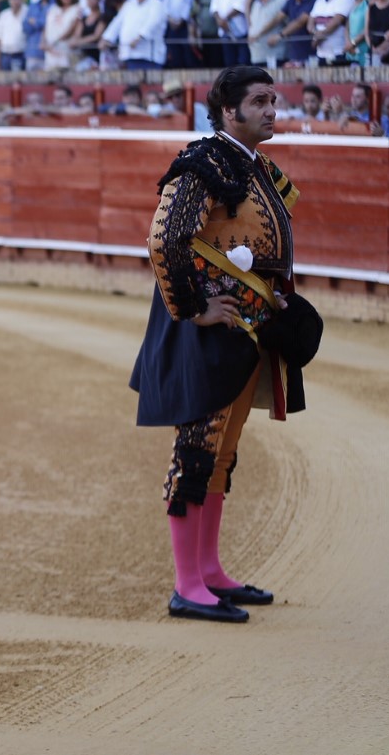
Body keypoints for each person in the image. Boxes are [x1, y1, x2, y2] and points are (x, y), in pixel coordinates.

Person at [131, 65, 310, 625]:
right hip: (209, 324)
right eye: (259, 101)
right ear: (229, 110)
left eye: (273, 99)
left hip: (246, 322)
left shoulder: (251, 165)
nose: (271, 109)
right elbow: (164, 238)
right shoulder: (204, 161)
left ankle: (209, 572)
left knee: (221, 452)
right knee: (196, 449)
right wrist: (192, 309)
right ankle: (187, 584)